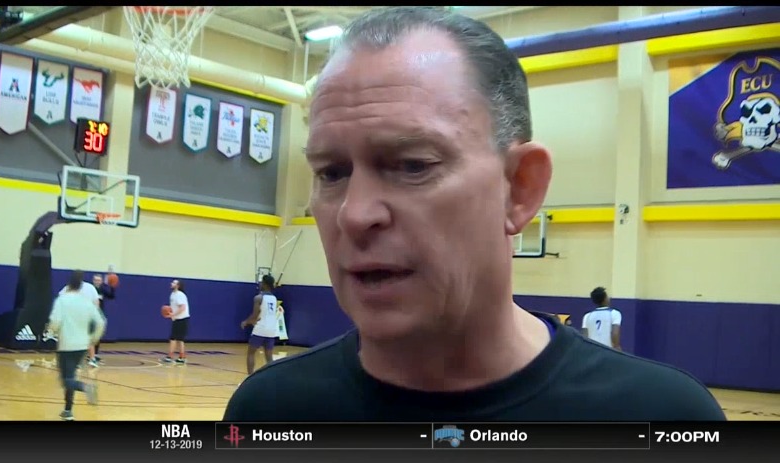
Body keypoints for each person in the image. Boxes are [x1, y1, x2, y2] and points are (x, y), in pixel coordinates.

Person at [223, 6, 725, 422]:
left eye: (412, 165)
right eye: (331, 173)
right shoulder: (268, 412)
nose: (355, 214)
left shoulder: (662, 418)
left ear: (519, 189)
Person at [47, 270, 105, 421]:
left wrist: (51, 331)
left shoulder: (62, 300)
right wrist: (93, 339)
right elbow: (100, 322)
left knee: (66, 379)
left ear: (69, 284)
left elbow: (55, 321)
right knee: (70, 376)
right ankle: (68, 411)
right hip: (82, 346)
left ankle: (86, 387)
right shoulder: (86, 302)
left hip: (66, 344)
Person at [59, 272, 101, 367]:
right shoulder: (90, 287)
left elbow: (61, 297)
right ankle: (92, 359)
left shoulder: (69, 287)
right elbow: (96, 302)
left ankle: (78, 361)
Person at [240, 274, 280, 375]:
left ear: (265, 284)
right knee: (269, 356)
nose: (260, 284)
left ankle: (250, 376)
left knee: (251, 353)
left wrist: (246, 322)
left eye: (262, 282)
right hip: (271, 330)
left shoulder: (258, 298)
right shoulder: (274, 298)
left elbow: (255, 314)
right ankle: (272, 376)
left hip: (261, 328)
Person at [89, 273, 116, 364]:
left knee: (98, 335)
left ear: (101, 281)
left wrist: (112, 286)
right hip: (91, 314)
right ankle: (89, 355)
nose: (97, 282)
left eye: (99, 280)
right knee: (90, 335)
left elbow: (111, 296)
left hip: (100, 315)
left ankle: (95, 354)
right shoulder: (90, 290)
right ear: (93, 281)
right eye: (96, 280)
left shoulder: (102, 290)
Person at [161, 279, 189, 365]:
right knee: (176, 339)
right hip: (176, 319)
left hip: (182, 319)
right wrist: (169, 312)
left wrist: (173, 314)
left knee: (177, 339)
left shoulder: (180, 294)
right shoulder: (173, 294)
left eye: (174, 283)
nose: (171, 283)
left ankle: (175, 357)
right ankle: (178, 357)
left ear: (178, 285)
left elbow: (182, 307)